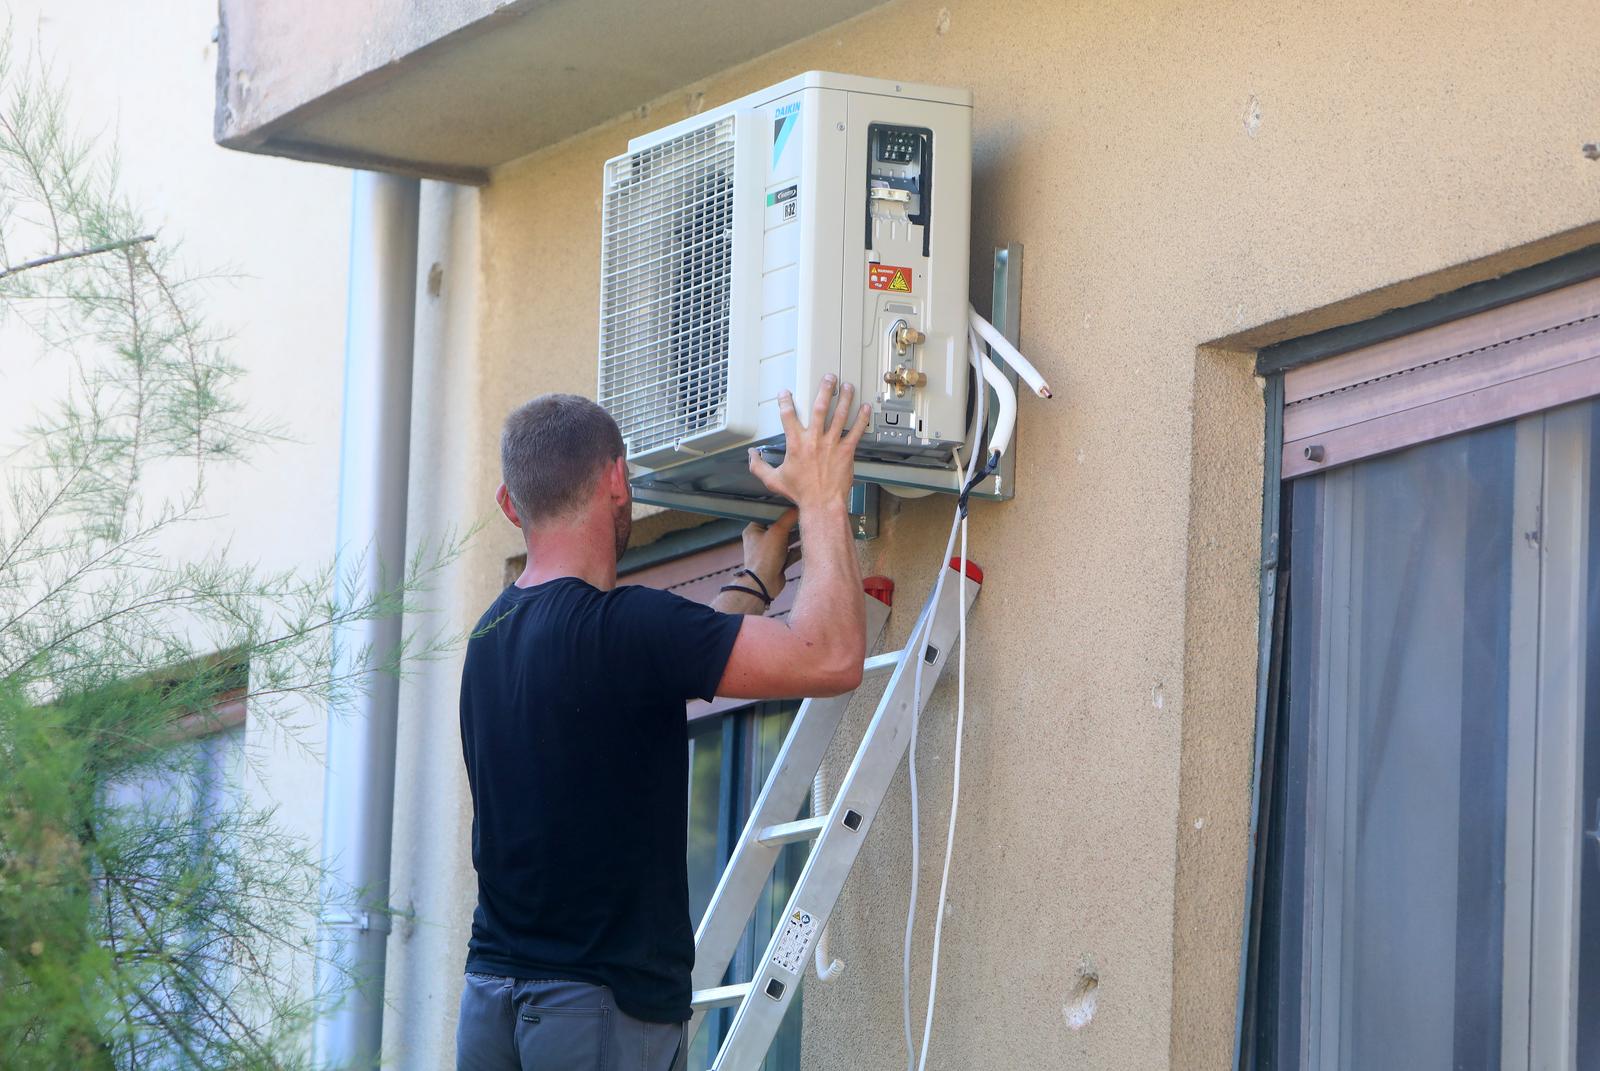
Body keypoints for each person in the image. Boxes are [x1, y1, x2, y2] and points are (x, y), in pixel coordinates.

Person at [456, 375, 872, 1070]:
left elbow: (670, 658)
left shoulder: (489, 635)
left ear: (510, 503)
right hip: (593, 1012)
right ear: (618, 479)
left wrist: (756, 582)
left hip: (494, 1002)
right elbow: (830, 656)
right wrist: (823, 495)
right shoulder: (624, 627)